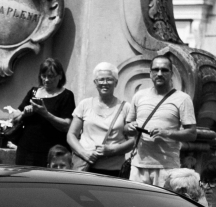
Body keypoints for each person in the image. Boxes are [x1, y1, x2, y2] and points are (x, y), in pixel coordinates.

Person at [127, 53, 197, 187]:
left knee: (162, 201)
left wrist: (166, 133)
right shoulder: (139, 96)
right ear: (150, 73)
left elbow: (192, 134)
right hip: (138, 165)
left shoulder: (183, 98)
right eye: (156, 70)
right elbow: (126, 127)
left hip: (167, 167)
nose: (159, 74)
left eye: (164, 70)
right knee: (135, 201)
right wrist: (130, 128)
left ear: (171, 74)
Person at [67, 63, 134, 177]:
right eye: (101, 79)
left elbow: (133, 140)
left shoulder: (126, 107)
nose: (105, 83)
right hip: (85, 167)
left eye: (109, 79)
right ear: (95, 83)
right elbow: (71, 135)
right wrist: (84, 153)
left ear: (116, 82)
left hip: (113, 169)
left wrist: (113, 150)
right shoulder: (85, 104)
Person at [8, 59, 74, 167]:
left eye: (51, 76)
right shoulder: (33, 92)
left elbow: (66, 125)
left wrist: (46, 114)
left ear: (60, 76)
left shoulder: (66, 96)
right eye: (44, 76)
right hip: (26, 150)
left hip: (51, 153)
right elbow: (14, 117)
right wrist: (24, 113)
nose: (46, 80)